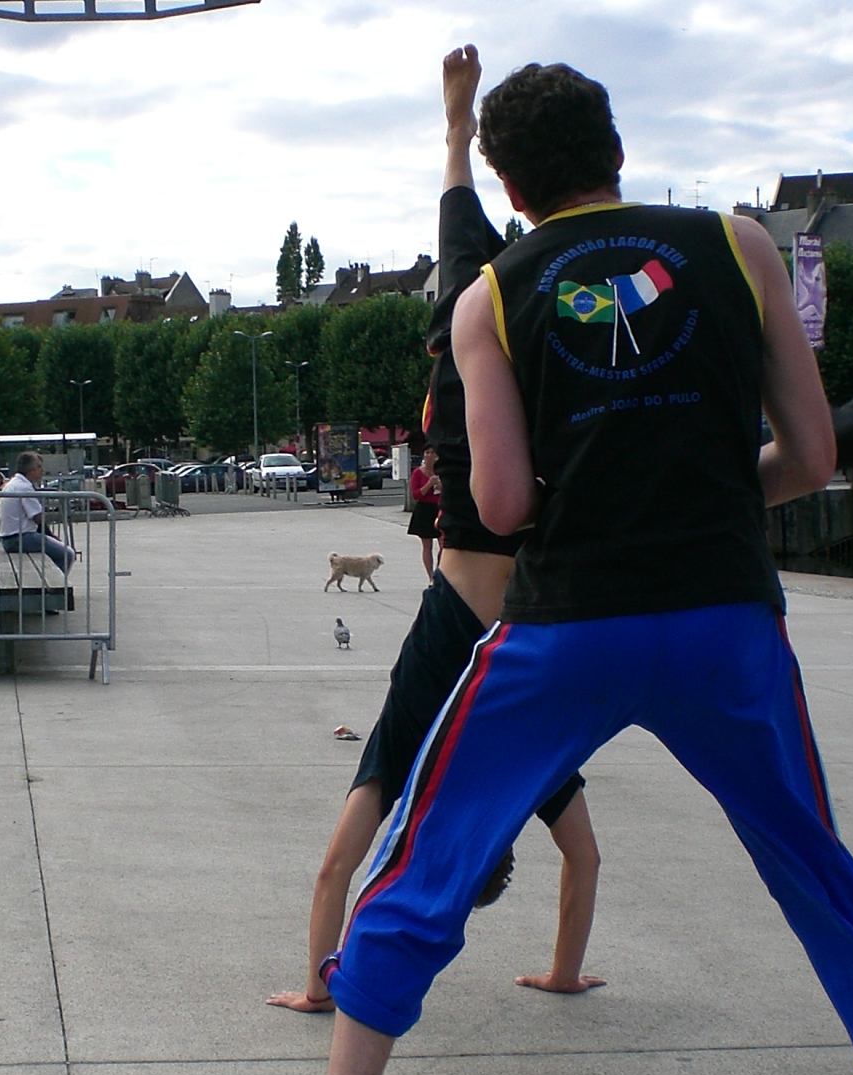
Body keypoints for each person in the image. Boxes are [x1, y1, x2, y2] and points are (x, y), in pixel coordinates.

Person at [239, 61, 853, 1075]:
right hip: (723, 622)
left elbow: (501, 507)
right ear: (615, 146)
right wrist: (699, 497)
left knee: (424, 863)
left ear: (509, 187)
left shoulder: (490, 299)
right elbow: (812, 459)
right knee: (822, 883)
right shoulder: (738, 244)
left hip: (566, 627)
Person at [266, 44, 605, 1020]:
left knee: (487, 286)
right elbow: (339, 867)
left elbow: (582, 858)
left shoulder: (527, 775)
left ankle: (458, 130)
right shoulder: (498, 763)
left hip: (505, 603)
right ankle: (457, 132)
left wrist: (565, 969)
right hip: (492, 558)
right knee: (467, 268)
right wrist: (314, 986)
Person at [0, 451, 77, 574]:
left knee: (54, 550)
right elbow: (38, 518)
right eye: (39, 466)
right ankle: (55, 583)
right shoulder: (24, 488)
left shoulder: (12, 484)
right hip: (21, 538)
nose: (42, 470)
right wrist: (51, 536)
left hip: (9, 538)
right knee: (68, 554)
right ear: (31, 470)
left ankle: (48, 579)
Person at [405, 445, 442, 578]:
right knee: (427, 546)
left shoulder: (442, 471)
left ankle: (439, 572)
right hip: (425, 509)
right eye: (427, 452)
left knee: (443, 544)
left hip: (440, 508)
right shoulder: (418, 473)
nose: (430, 455)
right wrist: (429, 484)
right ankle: (430, 576)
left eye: (433, 452)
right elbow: (416, 495)